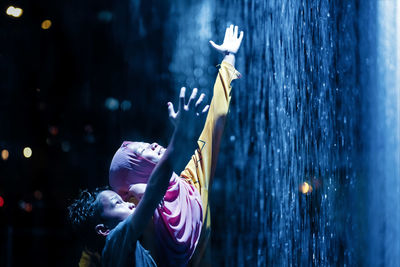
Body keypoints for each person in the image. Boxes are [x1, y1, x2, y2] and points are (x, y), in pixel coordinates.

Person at [72, 24, 244, 266]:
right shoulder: (132, 221)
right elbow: (152, 190)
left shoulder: (190, 186)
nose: (153, 144)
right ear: (137, 176)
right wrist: (180, 134)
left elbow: (214, 125)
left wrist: (228, 59)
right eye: (142, 152)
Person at [69, 86, 209, 267]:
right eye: (117, 203)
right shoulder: (115, 242)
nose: (128, 202)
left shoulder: (129, 250)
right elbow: (152, 195)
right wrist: (180, 132)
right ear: (103, 230)